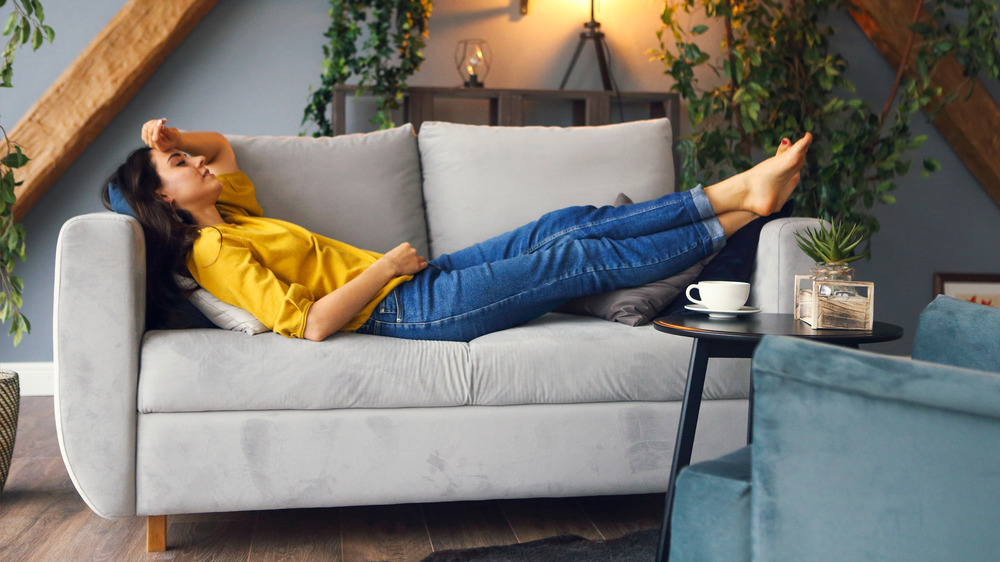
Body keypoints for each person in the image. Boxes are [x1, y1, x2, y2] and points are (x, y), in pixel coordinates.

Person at [103, 118, 812, 342]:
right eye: (177, 161)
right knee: (571, 257)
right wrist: (383, 270)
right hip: (410, 304)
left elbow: (222, 148)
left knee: (565, 222)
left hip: (422, 281)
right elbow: (311, 325)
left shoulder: (232, 213)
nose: (196, 160)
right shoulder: (213, 251)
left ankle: (740, 196)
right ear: (162, 197)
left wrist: (171, 130)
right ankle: (742, 204)